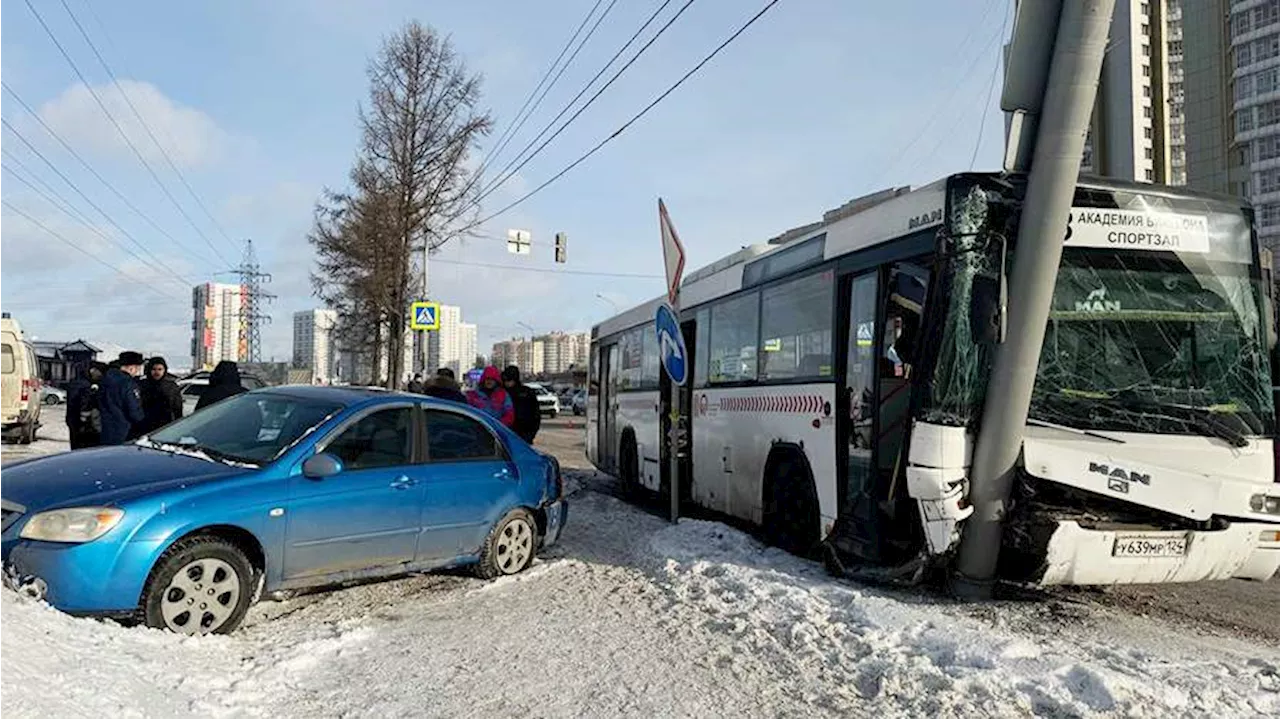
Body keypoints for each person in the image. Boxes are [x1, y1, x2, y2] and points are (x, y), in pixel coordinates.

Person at [98, 352, 145, 445]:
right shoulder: (128, 383)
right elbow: (134, 410)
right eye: (137, 368)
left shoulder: (105, 380)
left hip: (105, 428)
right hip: (124, 431)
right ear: (132, 367)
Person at [65, 362, 106, 449]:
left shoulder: (77, 382)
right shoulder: (84, 385)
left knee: (75, 445)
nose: (100, 376)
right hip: (80, 422)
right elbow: (83, 405)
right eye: (99, 373)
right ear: (93, 371)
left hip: (73, 419)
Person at [137, 356, 183, 434]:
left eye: (160, 369)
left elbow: (178, 408)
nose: (157, 372)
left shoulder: (171, 386)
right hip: (144, 425)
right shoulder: (142, 385)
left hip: (165, 425)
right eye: (154, 369)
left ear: (164, 370)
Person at [501, 365, 541, 443]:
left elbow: (535, 415)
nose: (507, 383)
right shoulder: (502, 393)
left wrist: (530, 435)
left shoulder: (527, 393)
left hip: (523, 434)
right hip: (505, 433)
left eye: (509, 380)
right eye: (505, 380)